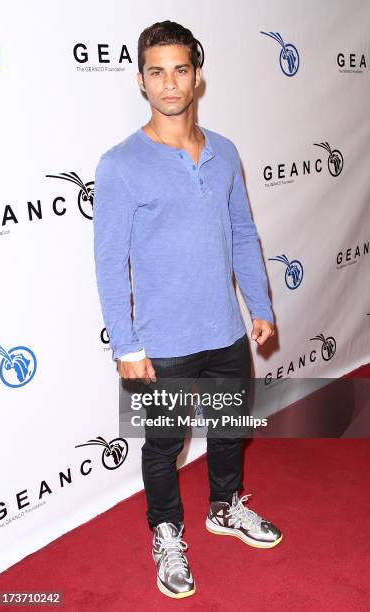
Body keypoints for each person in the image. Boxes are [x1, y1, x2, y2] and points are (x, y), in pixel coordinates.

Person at [93, 20, 282, 600]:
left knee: (229, 430)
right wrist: (126, 346)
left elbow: (245, 233)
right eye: (157, 72)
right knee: (164, 445)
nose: (169, 83)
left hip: (224, 329)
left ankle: (225, 508)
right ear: (141, 80)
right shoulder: (121, 163)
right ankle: (166, 532)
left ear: (197, 77)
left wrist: (259, 303)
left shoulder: (225, 152)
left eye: (180, 69)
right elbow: (109, 263)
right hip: (165, 343)